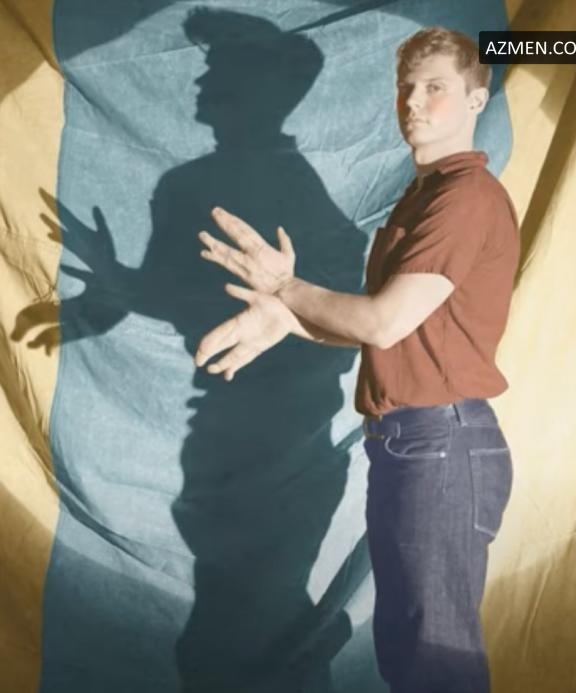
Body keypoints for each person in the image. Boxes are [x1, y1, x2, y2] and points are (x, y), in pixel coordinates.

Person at [194, 25, 520, 693]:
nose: (413, 102)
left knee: (436, 666)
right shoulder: (426, 196)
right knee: (410, 658)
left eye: (435, 88)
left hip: (441, 444)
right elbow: (388, 332)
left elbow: (383, 320)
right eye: (406, 87)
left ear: (476, 100)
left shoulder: (464, 197)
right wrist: (289, 319)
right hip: (415, 443)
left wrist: (287, 288)